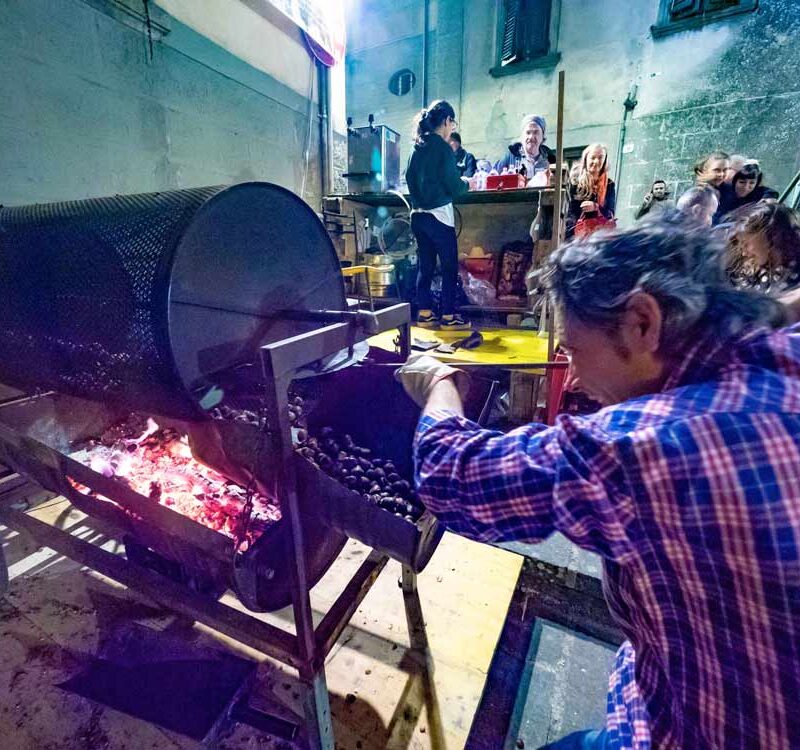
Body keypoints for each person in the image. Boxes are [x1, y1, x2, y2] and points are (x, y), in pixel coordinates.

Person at [396, 217, 800, 750]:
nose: (578, 379)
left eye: (576, 350)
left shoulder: (648, 446)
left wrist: (441, 384)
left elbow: (451, 475)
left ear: (641, 322)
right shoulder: (776, 354)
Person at [405, 100, 470, 330]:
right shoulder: (443, 148)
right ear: (446, 121)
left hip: (418, 216)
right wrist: (466, 183)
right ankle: (449, 317)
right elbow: (453, 185)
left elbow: (409, 179)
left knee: (426, 265)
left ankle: (424, 314)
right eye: (452, 123)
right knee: (449, 266)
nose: (452, 129)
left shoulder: (416, 148)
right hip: (439, 217)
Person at [727, 201, 800, 293]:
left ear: (772, 236)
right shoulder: (756, 270)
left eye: (746, 244)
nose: (744, 253)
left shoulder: (794, 283)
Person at [565, 144, 616, 238]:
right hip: (576, 235)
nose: (596, 161)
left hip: (599, 236)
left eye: (600, 157)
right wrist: (573, 230)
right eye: (592, 157)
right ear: (586, 159)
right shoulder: (575, 181)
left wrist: (596, 207)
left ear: (605, 160)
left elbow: (611, 213)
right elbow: (568, 210)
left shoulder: (609, 184)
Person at [715, 161, 779, 223]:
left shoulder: (757, 193)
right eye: (742, 182)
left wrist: (769, 199)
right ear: (735, 181)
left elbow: (771, 192)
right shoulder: (724, 189)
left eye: (752, 183)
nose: (746, 187)